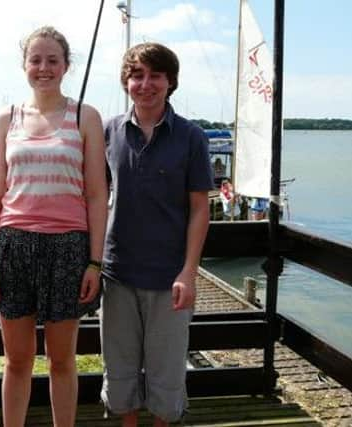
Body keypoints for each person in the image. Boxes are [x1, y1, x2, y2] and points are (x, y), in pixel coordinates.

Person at [0, 26, 108, 427]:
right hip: (13, 245)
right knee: (17, 361)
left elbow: (96, 196)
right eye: (36, 59)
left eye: (53, 60)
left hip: (68, 248)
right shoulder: (7, 118)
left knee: (61, 361)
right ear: (24, 66)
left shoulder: (85, 116)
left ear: (67, 66)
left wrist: (94, 262)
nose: (44, 68)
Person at [101, 43, 214, 426]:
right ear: (126, 82)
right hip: (116, 273)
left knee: (167, 374)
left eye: (155, 75)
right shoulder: (108, 132)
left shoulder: (191, 136)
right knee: (119, 370)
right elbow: (93, 198)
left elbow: (200, 208)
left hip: (170, 278)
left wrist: (189, 272)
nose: (145, 84)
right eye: (137, 75)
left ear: (170, 82)